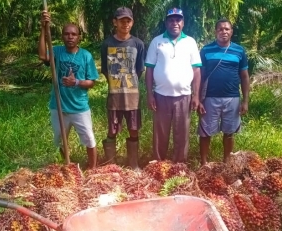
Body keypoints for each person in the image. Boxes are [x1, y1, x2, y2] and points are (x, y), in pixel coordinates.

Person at [38, 10, 99, 169]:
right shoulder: (57, 51)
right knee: (60, 139)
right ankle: (67, 165)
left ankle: (92, 169)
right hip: (58, 106)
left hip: (79, 107)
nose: (70, 37)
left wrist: (76, 82)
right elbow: (43, 56)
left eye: (73, 34)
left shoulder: (86, 56)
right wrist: (44, 29)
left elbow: (92, 82)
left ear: (79, 37)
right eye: (66, 34)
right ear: (62, 36)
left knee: (89, 139)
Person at [145, 8, 202, 163]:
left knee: (182, 134)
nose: (174, 23)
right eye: (171, 20)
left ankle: (180, 165)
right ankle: (158, 165)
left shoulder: (190, 42)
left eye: (178, 20)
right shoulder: (157, 42)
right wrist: (150, 94)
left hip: (184, 96)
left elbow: (196, 70)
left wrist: (196, 96)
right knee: (160, 133)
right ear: (166, 22)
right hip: (161, 95)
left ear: (183, 23)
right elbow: (149, 69)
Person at [198, 18, 250, 166]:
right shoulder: (206, 50)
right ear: (215, 32)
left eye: (227, 29)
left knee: (229, 132)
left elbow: (245, 76)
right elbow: (200, 76)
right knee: (205, 132)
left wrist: (245, 101)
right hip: (209, 97)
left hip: (232, 98)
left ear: (231, 32)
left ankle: (227, 162)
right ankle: (204, 163)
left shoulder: (239, 51)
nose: (224, 32)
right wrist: (198, 99)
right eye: (220, 29)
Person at [100, 7, 145, 170]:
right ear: (115, 22)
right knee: (112, 131)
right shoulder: (107, 44)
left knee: (133, 130)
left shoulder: (138, 44)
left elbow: (139, 70)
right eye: (121, 20)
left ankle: (133, 164)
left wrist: (128, 83)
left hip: (132, 97)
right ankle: (111, 166)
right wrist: (116, 84)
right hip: (114, 97)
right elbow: (105, 69)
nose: (125, 23)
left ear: (132, 23)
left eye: (128, 20)